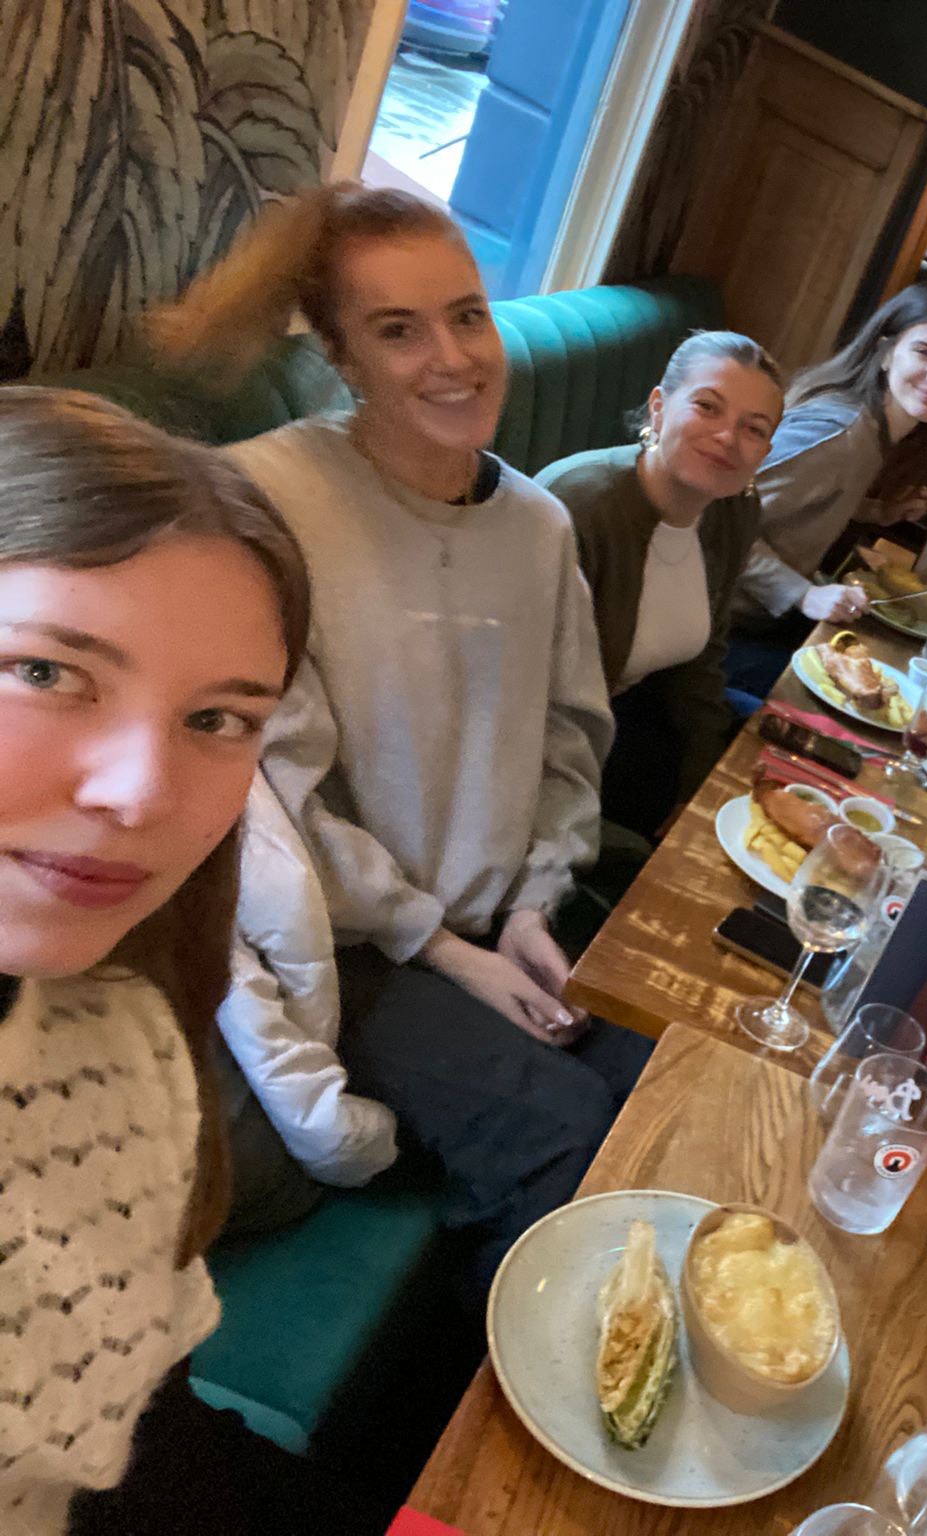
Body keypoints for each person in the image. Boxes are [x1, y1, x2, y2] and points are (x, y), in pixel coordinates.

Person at [149, 182, 651, 1293]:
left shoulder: (539, 526)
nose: (451, 357)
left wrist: (531, 902)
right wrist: (445, 947)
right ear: (340, 356)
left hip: (495, 920)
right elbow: (280, 793)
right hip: (349, 950)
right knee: (562, 1144)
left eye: (466, 315)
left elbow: (572, 735)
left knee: (661, 1093)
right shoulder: (266, 499)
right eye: (397, 330)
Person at [0, 387, 384, 1532]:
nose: (142, 795)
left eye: (217, 719)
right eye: (48, 673)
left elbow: (147, 1438)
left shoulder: (118, 1037)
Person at [539, 331, 785, 839]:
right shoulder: (577, 508)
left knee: (767, 770)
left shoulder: (734, 509)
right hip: (550, 745)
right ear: (659, 406)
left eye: (753, 429)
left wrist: (694, 793)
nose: (727, 438)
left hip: (632, 710)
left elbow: (704, 657)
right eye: (707, 407)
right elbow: (523, 701)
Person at [725, 280, 927, 698]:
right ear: (885, 352)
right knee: (864, 704)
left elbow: (796, 500)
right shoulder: (840, 433)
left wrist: (874, 512)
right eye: (924, 351)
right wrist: (803, 594)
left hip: (758, 621)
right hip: (718, 629)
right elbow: (718, 515)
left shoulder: (874, 433)